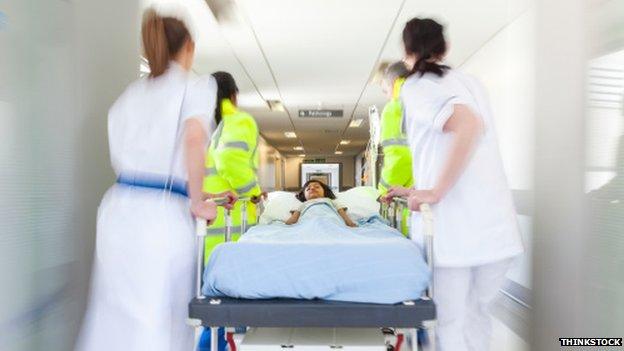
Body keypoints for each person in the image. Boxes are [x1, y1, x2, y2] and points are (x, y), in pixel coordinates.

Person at [75, 6, 219, 351]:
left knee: (114, 314)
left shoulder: (130, 95)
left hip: (118, 211)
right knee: (161, 315)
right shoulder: (195, 86)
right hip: (161, 214)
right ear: (188, 48)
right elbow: (194, 138)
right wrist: (199, 201)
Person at [383, 18, 524, 351]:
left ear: (407, 52)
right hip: (494, 227)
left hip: (454, 231)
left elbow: (467, 126)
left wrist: (435, 192)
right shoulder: (471, 82)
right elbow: (463, 147)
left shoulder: (417, 86)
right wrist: (417, 189)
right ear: (444, 48)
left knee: (448, 325)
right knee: (478, 319)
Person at [199, 71, 264, 351]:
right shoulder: (238, 120)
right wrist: (253, 192)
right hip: (230, 223)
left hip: (206, 224)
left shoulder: (201, 126)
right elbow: (231, 159)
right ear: (234, 95)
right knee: (225, 300)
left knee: (210, 300)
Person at [377, 61, 413, 236]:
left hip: (408, 200)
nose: (386, 96)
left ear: (395, 83)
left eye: (385, 90)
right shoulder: (422, 102)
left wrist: (383, 190)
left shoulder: (394, 109)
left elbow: (398, 156)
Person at [285, 179, 357, 227]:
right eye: (308, 189)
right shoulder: (304, 204)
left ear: (324, 192)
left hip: (331, 222)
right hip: (308, 223)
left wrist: (351, 224)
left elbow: (343, 215)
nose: (312, 188)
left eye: (317, 187)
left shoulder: (330, 201)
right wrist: (284, 226)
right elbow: (292, 220)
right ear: (304, 195)